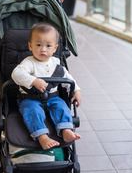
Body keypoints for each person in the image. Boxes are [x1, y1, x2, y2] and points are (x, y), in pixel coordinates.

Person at [11, 22, 81, 150]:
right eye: (38, 45)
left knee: (62, 107)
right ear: (30, 46)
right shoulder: (28, 62)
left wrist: (76, 89)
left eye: (48, 46)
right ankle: (42, 136)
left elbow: (66, 77)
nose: (43, 49)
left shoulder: (56, 62)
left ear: (55, 48)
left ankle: (66, 130)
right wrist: (33, 80)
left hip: (53, 97)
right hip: (30, 98)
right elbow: (16, 74)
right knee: (32, 112)